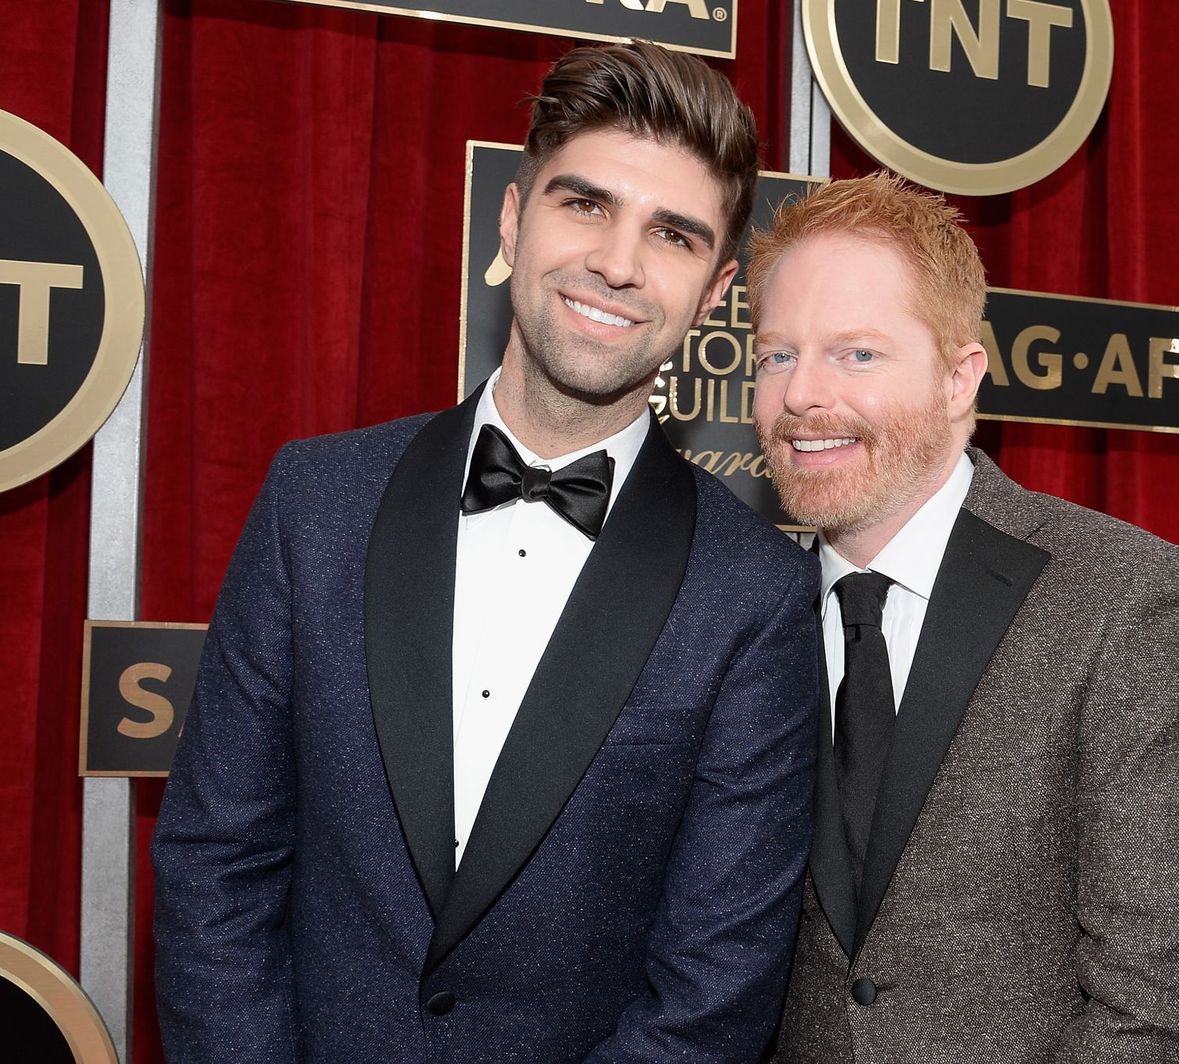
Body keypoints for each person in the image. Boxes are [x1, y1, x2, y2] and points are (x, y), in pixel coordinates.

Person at [152, 41, 818, 1064]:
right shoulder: (314, 501)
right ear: (511, 219)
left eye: (672, 234)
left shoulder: (756, 592)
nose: (619, 262)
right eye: (585, 204)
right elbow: (214, 865)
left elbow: (712, 992)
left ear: (717, 287)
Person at [748, 173, 1179, 1062]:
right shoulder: (742, 612)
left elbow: (1170, 1015)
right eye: (777, 355)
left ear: (958, 377)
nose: (801, 396)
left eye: (857, 354)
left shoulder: (1124, 600)